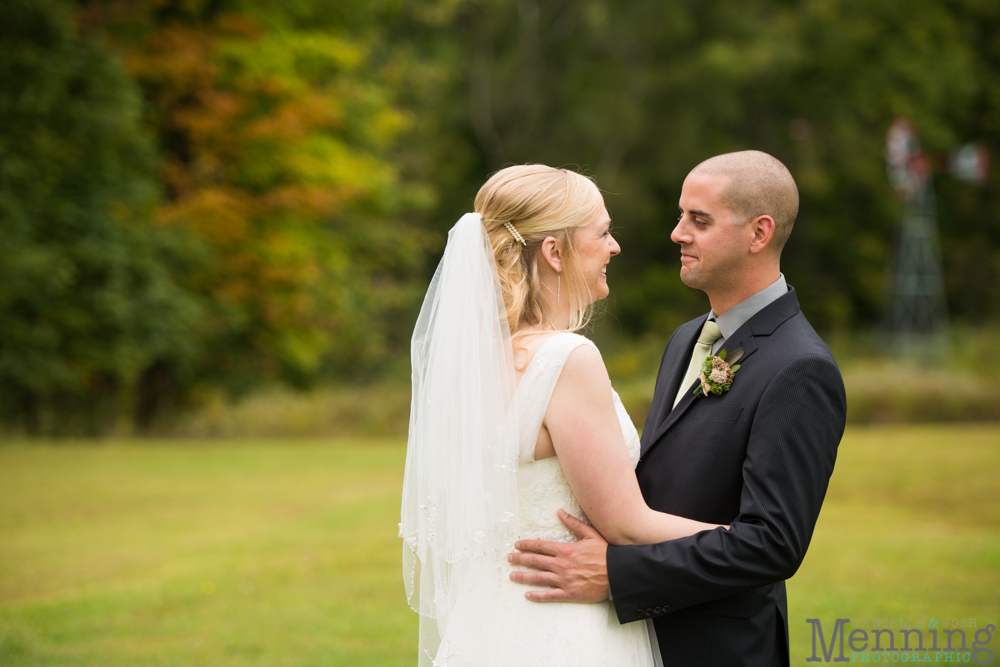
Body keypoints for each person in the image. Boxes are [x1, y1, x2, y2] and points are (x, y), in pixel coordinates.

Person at [508, 150, 848, 666]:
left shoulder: (800, 368)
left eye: (699, 220)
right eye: (681, 214)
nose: (677, 233)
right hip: (622, 637)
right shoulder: (686, 339)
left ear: (759, 234)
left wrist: (618, 573)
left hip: (716, 648)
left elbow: (773, 545)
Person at [400, 164, 729, 667]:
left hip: (490, 622)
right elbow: (627, 524)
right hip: (564, 625)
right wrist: (743, 540)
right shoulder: (566, 359)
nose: (614, 247)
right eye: (601, 232)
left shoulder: (476, 364)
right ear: (554, 252)